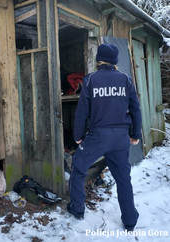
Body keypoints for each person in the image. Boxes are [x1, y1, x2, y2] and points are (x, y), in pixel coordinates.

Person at [67, 43, 142, 231]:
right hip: (120, 138)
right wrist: (135, 134)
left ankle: (77, 209)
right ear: (115, 61)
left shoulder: (90, 80)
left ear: (98, 60)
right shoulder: (126, 79)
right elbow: (135, 109)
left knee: (78, 165)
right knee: (124, 179)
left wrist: (78, 136)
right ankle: (130, 220)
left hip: (98, 136)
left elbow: (81, 111)